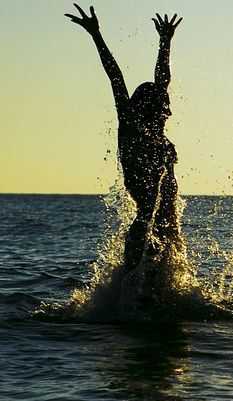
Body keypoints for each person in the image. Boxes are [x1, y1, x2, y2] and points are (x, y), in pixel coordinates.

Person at [66, 4, 184, 287]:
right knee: (140, 298)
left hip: (168, 230)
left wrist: (164, 42)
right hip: (144, 231)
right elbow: (116, 77)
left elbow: (162, 80)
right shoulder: (132, 129)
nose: (168, 112)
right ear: (149, 108)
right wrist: (96, 35)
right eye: (163, 107)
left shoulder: (156, 131)